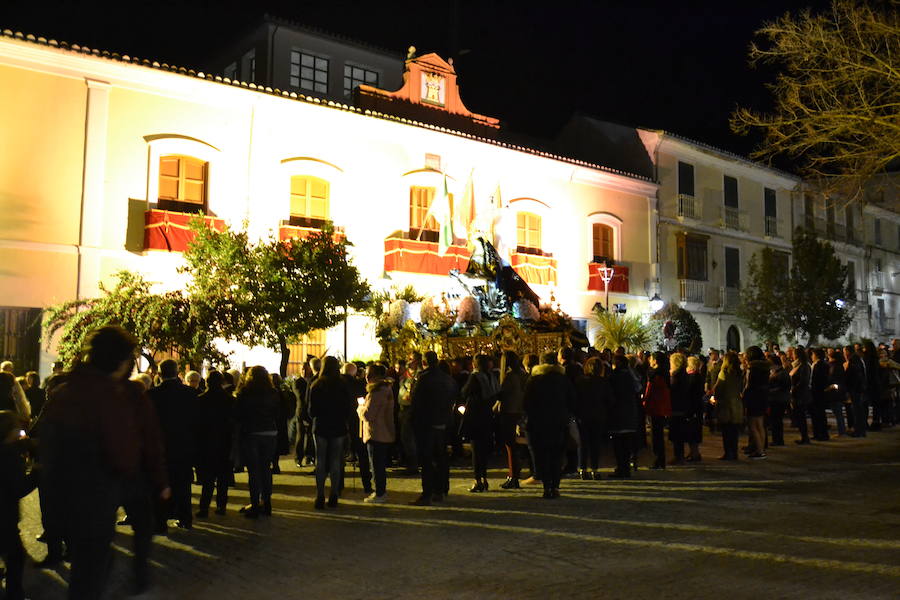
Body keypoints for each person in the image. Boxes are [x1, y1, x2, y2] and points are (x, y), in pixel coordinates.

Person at [36, 326, 155, 599]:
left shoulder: (65, 391)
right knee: (91, 571)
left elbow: (48, 441)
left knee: (89, 565)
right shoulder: (111, 396)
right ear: (121, 360)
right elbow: (123, 453)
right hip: (96, 496)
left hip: (65, 495)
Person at [148, 359, 199, 531]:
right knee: (183, 484)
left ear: (160, 374)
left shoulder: (152, 395)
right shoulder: (190, 394)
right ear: (177, 373)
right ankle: (185, 518)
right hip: (184, 445)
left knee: (160, 484)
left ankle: (160, 522)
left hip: (160, 446)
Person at [408, 351, 458, 506]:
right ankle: (441, 489)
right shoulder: (447, 379)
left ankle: (427, 493)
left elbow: (415, 401)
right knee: (441, 457)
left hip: (427, 423)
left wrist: (413, 420)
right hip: (443, 422)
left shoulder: (424, 379)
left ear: (424, 362)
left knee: (427, 458)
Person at [524, 352, 574, 499]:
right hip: (559, 422)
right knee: (557, 456)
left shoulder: (534, 380)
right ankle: (556, 486)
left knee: (543, 455)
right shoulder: (563, 380)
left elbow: (526, 402)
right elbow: (572, 400)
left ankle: (547, 487)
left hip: (538, 423)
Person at [0, 410, 38, 600]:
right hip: (4, 516)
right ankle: (15, 594)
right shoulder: (8, 457)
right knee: (15, 557)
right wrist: (36, 475)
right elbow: (18, 488)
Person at [309, 356, 354, 509]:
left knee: (320, 460)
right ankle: (334, 493)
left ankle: (320, 494)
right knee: (336, 460)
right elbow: (349, 406)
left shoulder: (317, 384)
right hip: (338, 425)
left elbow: (311, 410)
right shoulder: (343, 385)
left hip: (321, 425)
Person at [234, 366, 280, 517]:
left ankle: (254, 504)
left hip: (252, 432)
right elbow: (281, 412)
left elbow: (238, 414)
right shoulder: (273, 393)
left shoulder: (245, 393)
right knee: (266, 468)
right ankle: (267, 502)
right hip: (270, 431)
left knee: (254, 471)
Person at [195, 371, 234, 517]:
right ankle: (221, 506)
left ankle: (204, 507)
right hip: (225, 442)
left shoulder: (200, 400)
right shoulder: (230, 399)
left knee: (207, 479)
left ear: (207, 382)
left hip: (206, 442)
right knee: (223, 477)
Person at [460, 354, 499, 492]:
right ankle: (485, 478)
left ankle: (478, 480)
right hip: (488, 415)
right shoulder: (492, 376)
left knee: (476, 450)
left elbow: (464, 392)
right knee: (484, 450)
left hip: (476, 416)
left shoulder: (475, 376)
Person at [358, 364, 395, 503]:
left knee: (376, 465)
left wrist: (360, 408)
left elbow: (369, 415)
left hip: (376, 432)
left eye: (369, 374)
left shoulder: (376, 392)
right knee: (378, 464)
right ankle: (380, 491)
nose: (366, 378)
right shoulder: (387, 390)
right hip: (383, 431)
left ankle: (380, 492)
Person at [574, 357, 610, 480]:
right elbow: (609, 399)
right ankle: (595, 469)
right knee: (595, 443)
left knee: (583, 443)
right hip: (598, 415)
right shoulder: (603, 382)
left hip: (582, 415)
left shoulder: (580, 381)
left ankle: (582, 469)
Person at [341, 362, 372, 496]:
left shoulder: (338, 384)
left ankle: (339, 486)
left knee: (340, 456)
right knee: (363, 456)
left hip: (341, 423)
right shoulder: (359, 384)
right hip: (357, 423)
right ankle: (367, 484)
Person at [498, 351, 527, 489]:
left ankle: (513, 475)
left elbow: (502, 395)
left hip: (509, 412)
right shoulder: (523, 375)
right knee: (517, 446)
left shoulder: (509, 377)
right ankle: (515, 473)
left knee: (510, 446)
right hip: (520, 412)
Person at [607, 355, 639, 478]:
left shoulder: (614, 376)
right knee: (626, 444)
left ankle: (622, 468)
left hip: (617, 414)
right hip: (630, 414)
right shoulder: (631, 376)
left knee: (618, 445)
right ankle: (625, 468)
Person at [643, 352, 671, 469]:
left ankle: (658, 459)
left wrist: (644, 402)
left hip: (655, 407)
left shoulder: (655, 375)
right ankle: (660, 460)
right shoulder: (664, 373)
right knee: (658, 434)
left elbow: (650, 391)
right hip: (661, 407)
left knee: (656, 436)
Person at [713, 352, 743, 460]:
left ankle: (728, 453)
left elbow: (718, 388)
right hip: (737, 403)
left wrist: (716, 398)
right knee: (734, 431)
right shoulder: (739, 373)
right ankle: (734, 453)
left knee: (726, 430)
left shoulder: (724, 373)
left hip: (726, 404)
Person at [743, 346, 770, 459]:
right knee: (760, 425)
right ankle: (761, 449)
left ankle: (759, 451)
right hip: (762, 397)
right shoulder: (765, 367)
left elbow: (749, 385)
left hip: (753, 397)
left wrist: (744, 397)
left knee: (753, 425)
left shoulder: (752, 368)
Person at [668, 352, 689, 465]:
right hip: (682, 406)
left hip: (676, 406)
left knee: (677, 433)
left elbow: (673, 390)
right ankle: (679, 456)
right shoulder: (684, 374)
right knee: (678, 433)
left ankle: (679, 456)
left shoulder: (677, 375)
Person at [789, 347, 812, 445]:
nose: (792, 356)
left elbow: (804, 381)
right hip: (796, 394)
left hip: (801, 395)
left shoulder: (804, 366)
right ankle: (803, 436)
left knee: (801, 416)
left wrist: (794, 389)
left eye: (793, 354)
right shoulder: (797, 365)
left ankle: (805, 437)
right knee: (799, 416)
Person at [843, 346, 867, 437]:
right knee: (858, 410)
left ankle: (859, 431)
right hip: (858, 388)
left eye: (844, 351)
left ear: (848, 352)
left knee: (857, 411)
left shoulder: (853, 360)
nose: (844, 354)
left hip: (855, 389)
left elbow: (852, 375)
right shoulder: (858, 359)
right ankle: (861, 430)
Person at [768, 354, 791, 446]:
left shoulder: (782, 373)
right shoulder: (776, 372)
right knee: (775, 421)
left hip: (779, 399)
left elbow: (784, 387)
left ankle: (778, 440)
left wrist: (770, 390)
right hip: (777, 399)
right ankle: (777, 439)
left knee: (776, 420)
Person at [809, 348, 830, 441]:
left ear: (816, 355)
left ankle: (820, 434)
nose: (811, 356)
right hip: (821, 392)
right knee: (820, 413)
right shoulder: (824, 364)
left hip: (817, 392)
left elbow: (815, 380)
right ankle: (820, 433)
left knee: (818, 414)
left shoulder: (818, 365)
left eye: (812, 354)